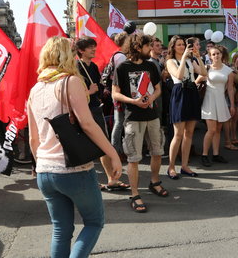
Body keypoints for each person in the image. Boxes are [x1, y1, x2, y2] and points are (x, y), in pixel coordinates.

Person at [28, 36, 122, 257]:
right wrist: (113, 154)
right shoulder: (70, 81)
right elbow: (88, 124)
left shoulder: (35, 89)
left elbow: (34, 139)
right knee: (94, 222)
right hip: (73, 169)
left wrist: (42, 164)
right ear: (65, 56)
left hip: (44, 170)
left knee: (61, 229)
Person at [112, 33, 167, 212]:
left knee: (157, 152)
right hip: (133, 118)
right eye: (147, 46)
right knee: (134, 158)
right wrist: (133, 101)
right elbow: (115, 93)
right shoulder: (122, 67)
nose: (150, 49)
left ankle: (154, 181)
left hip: (153, 116)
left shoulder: (151, 65)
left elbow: (158, 89)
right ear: (137, 47)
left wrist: (151, 97)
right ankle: (135, 194)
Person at [75, 36, 130, 192]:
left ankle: (112, 180)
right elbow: (72, 94)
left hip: (95, 108)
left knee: (103, 144)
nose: (94, 49)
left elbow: (98, 84)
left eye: (94, 46)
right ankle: (87, 182)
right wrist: (88, 91)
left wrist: (101, 89)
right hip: (83, 111)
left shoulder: (92, 66)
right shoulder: (75, 67)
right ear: (81, 50)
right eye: (90, 47)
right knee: (85, 148)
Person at [166, 35, 207, 179]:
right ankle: (171, 167)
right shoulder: (170, 61)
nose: (182, 47)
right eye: (178, 45)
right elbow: (178, 74)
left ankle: (184, 166)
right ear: (173, 47)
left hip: (191, 92)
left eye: (183, 44)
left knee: (189, 133)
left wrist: (198, 57)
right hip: (180, 93)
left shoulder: (191, 60)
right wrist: (183, 58)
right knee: (178, 134)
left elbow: (203, 73)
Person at [200, 46, 235, 167]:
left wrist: (232, 105)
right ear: (210, 56)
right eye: (213, 54)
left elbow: (230, 89)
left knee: (218, 129)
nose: (216, 56)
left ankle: (215, 154)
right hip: (209, 100)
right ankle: (204, 155)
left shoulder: (228, 71)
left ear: (221, 54)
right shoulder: (207, 68)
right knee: (212, 129)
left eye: (218, 53)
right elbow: (197, 81)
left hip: (221, 100)